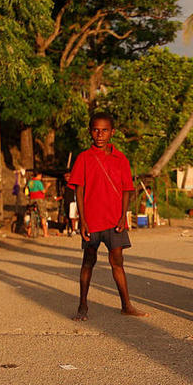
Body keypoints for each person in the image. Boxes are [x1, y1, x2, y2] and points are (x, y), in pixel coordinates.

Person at [69, 111, 147, 321]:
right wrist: (82, 221)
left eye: (104, 130)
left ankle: (126, 304)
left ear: (112, 132)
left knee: (117, 262)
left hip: (114, 221)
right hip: (92, 220)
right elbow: (79, 190)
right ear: (90, 132)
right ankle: (82, 306)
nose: (99, 134)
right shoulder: (84, 158)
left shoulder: (120, 158)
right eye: (95, 130)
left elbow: (127, 190)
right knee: (88, 261)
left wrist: (123, 216)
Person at [25, 171, 49, 237]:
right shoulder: (38, 182)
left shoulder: (30, 182)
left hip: (31, 199)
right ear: (38, 175)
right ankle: (45, 233)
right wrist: (47, 186)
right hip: (39, 200)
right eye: (40, 175)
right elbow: (43, 191)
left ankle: (29, 233)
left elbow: (27, 190)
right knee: (42, 215)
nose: (41, 177)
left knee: (31, 215)